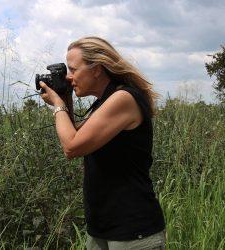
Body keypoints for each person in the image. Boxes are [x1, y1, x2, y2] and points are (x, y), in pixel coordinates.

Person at [39, 36, 166, 250]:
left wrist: (58, 104)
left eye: (73, 70)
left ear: (96, 69)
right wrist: (66, 98)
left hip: (133, 232)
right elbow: (77, 136)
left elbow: (71, 147)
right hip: (102, 229)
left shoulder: (124, 98)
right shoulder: (105, 102)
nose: (69, 78)